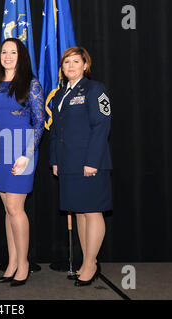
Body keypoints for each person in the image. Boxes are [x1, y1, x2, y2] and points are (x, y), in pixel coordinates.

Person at [0, 38, 45, 287]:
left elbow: (39, 124)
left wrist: (27, 155)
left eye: (13, 52)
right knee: (8, 210)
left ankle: (24, 264)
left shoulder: (32, 85)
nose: (8, 56)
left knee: (16, 209)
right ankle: (12, 262)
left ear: (22, 56)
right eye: (4, 52)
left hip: (22, 151)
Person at [49, 47, 112, 286]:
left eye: (76, 61)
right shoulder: (59, 95)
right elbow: (56, 130)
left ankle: (90, 264)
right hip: (68, 163)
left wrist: (92, 162)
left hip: (89, 163)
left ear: (85, 65)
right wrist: (54, 160)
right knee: (79, 212)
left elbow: (101, 126)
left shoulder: (95, 89)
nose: (71, 66)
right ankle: (88, 260)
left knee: (93, 211)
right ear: (62, 68)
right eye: (66, 63)